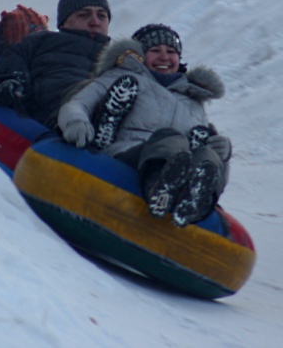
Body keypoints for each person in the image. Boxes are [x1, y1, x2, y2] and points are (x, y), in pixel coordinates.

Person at [57, 24, 232, 227]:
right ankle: (160, 186)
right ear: (140, 55)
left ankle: (196, 201)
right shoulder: (120, 76)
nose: (165, 57)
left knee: (207, 155)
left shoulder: (194, 102)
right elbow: (78, 103)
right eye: (155, 51)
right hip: (129, 153)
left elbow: (215, 160)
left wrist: (223, 155)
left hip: (182, 163)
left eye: (171, 52)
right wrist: (76, 121)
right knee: (172, 138)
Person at [0, 0, 112, 129]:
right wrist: (4, 87)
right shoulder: (39, 43)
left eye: (102, 16)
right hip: (55, 115)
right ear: (64, 22)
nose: (95, 21)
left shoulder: (119, 57)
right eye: (84, 14)